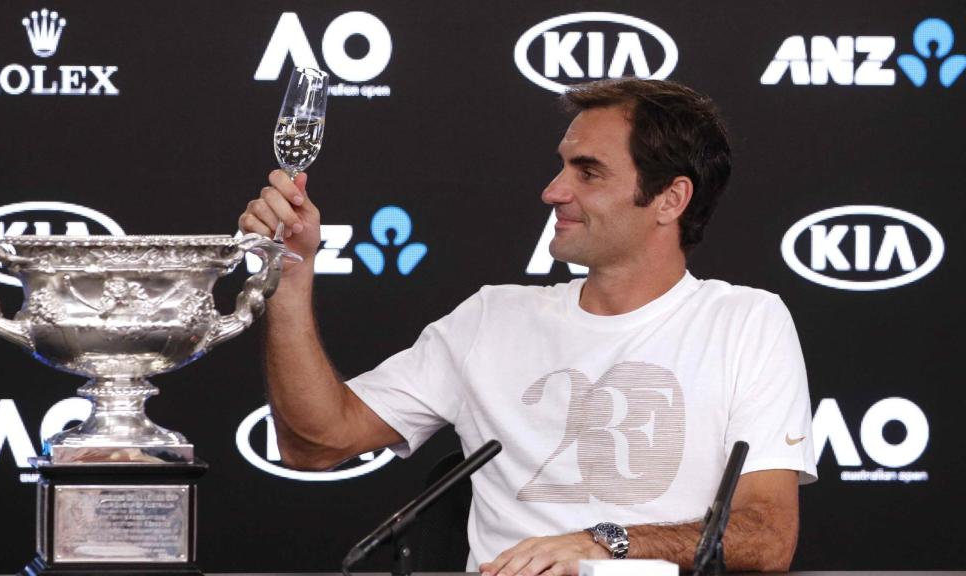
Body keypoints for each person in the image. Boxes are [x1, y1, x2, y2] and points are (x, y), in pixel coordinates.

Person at [238, 77, 816, 575]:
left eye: (587, 172)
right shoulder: (493, 318)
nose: (553, 191)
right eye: (562, 166)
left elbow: (766, 537)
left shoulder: (745, 322)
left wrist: (601, 547)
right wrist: (291, 277)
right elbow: (315, 444)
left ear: (670, 199)